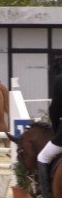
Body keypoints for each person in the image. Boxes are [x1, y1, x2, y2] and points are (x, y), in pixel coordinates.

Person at [37, 64, 62, 198]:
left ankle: (46, 194)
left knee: (42, 157)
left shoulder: (59, 80)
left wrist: (57, 129)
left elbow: (54, 109)